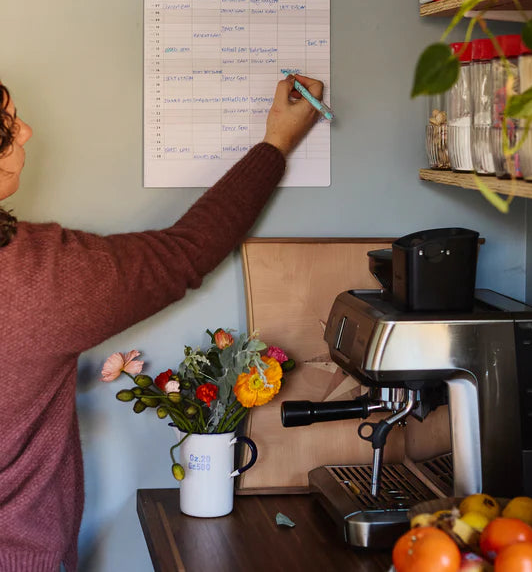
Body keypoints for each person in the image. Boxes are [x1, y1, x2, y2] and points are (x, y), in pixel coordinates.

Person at [0, 73, 323, 572]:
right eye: (7, 123)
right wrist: (276, 143)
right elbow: (184, 252)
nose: (26, 131)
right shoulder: (37, 276)